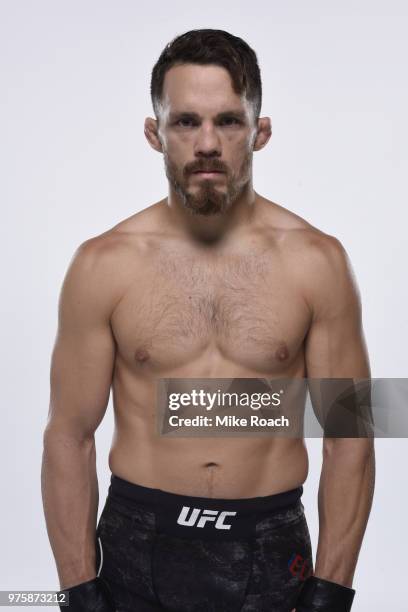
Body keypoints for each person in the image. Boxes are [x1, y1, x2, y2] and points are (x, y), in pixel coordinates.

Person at [41, 29, 375, 612]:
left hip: (271, 544)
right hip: (137, 540)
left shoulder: (320, 261)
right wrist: (77, 588)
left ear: (261, 131)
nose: (207, 143)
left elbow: (352, 432)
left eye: (229, 121)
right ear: (154, 133)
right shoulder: (101, 264)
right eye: (185, 122)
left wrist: (334, 586)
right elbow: (68, 434)